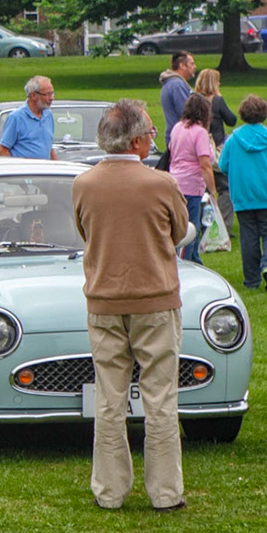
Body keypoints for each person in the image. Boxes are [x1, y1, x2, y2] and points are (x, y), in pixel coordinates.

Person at [71, 98, 189, 512]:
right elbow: (179, 230)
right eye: (151, 134)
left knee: (109, 398)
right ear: (137, 141)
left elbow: (84, 231)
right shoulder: (161, 184)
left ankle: (109, 491)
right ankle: (166, 492)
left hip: (103, 300)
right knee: (161, 397)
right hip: (155, 298)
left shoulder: (83, 184)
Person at [217, 94, 267, 292]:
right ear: (264, 114)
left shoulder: (233, 139)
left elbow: (222, 165)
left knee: (248, 236)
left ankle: (251, 280)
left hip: (243, 195)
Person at [167, 94, 219, 262]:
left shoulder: (177, 127)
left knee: (179, 226)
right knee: (191, 229)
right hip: (191, 185)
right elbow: (204, 164)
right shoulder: (200, 132)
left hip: (175, 182)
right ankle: (186, 261)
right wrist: (213, 191)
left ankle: (195, 261)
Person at [194, 68, 237, 232]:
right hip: (215, 148)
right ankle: (223, 225)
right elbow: (231, 120)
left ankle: (202, 223)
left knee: (202, 189)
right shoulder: (217, 101)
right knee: (225, 188)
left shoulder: (193, 100)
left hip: (197, 149)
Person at [0, 76, 57, 159]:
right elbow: (3, 150)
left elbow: (49, 147)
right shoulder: (16, 117)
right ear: (33, 95)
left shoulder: (48, 115)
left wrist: (57, 164)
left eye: (52, 93)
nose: (51, 98)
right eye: (47, 94)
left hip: (44, 167)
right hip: (24, 167)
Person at [159, 51, 195, 133]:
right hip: (181, 135)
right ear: (182, 65)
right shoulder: (177, 85)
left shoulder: (171, 83)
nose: (194, 67)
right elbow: (185, 113)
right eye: (192, 64)